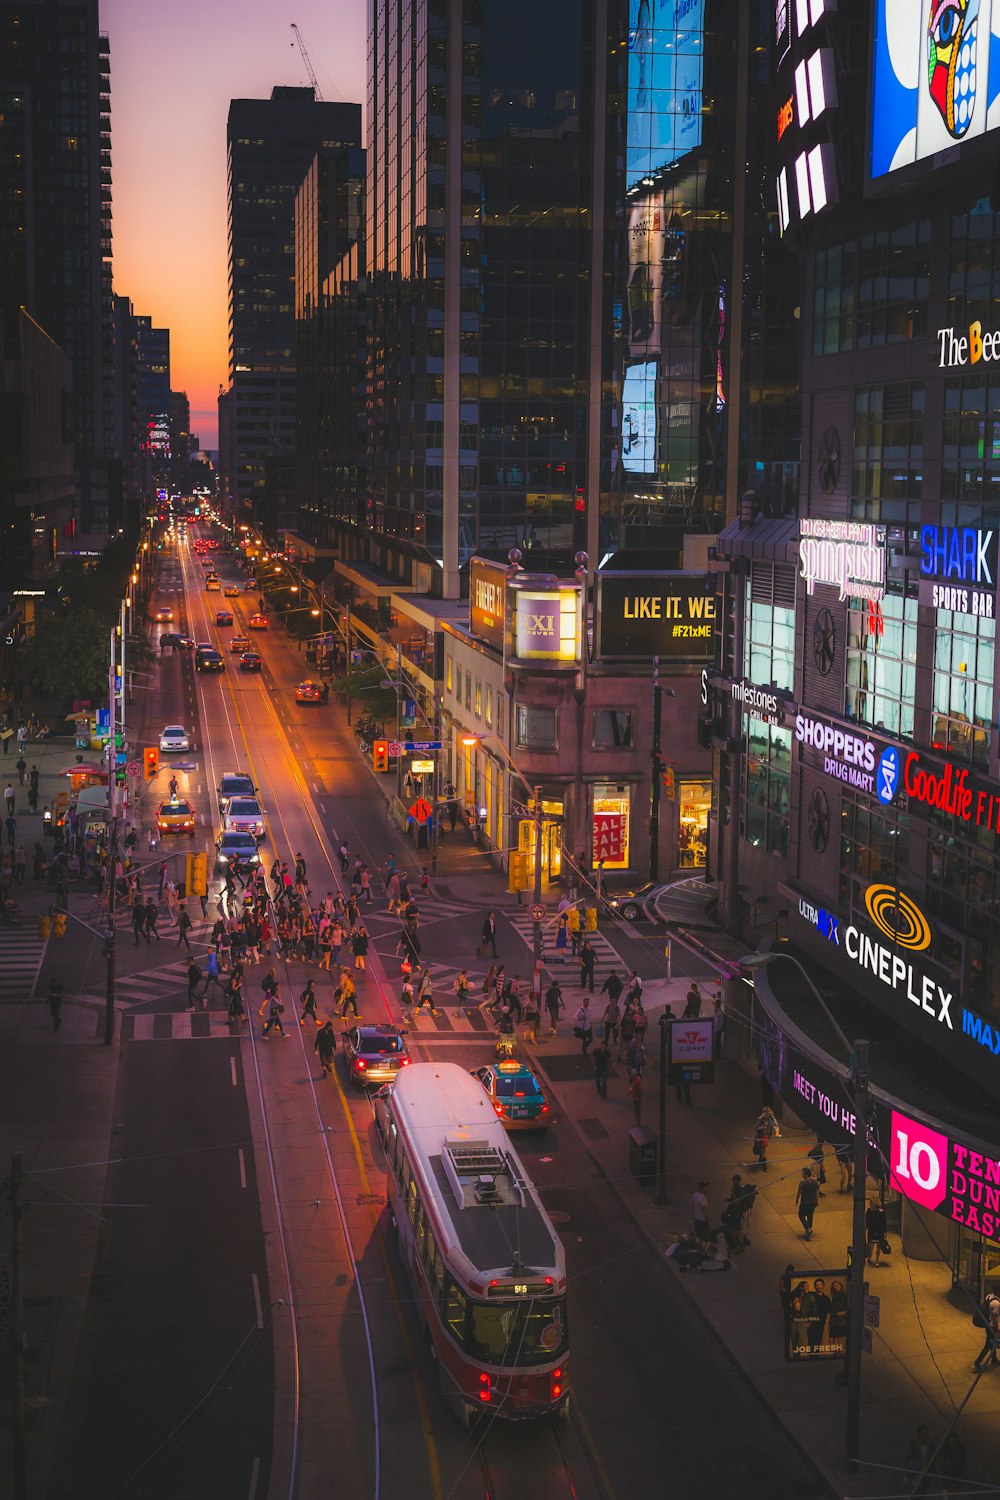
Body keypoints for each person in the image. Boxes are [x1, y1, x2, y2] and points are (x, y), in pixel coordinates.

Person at [973, 1288, 1000, 1372]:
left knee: (992, 1343)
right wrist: (997, 1330)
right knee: (988, 1345)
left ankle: (994, 1359)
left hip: (988, 1325)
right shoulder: (996, 1303)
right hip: (992, 1327)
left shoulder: (989, 1296)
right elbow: (994, 1318)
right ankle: (977, 1363)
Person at [795, 1167, 820, 1240]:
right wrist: (817, 1201)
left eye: (803, 1173)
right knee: (810, 1216)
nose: (801, 1174)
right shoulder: (815, 1182)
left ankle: (808, 1228)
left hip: (805, 1203)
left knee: (801, 1215)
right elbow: (817, 1193)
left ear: (806, 1175)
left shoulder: (802, 1183)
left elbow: (799, 1193)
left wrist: (797, 1200)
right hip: (813, 1202)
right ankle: (809, 1230)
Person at [865, 1199, 888, 1266]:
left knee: (878, 1246)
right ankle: (869, 1256)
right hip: (871, 1230)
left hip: (879, 1230)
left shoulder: (881, 1212)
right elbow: (867, 1220)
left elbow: (884, 1222)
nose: (870, 1206)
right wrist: (865, 1228)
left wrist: (885, 1231)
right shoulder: (869, 1211)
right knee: (870, 1246)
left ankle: (877, 1261)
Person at [592, 1033, 610, 1098]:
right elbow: (594, 1057)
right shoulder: (596, 1051)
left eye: (604, 1045)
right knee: (597, 1080)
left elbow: (608, 1060)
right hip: (598, 1067)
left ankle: (604, 1093)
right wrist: (594, 1065)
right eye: (601, 1045)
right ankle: (599, 1089)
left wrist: (608, 1067)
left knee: (604, 1081)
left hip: (604, 1068)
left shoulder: (607, 1052)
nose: (602, 1046)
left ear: (605, 1046)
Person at [711, 993, 726, 1059]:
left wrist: (720, 1029)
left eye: (716, 1004)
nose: (715, 1005)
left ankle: (717, 1055)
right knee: (715, 1042)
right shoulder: (716, 1011)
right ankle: (716, 1054)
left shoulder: (720, 1013)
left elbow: (722, 1023)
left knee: (717, 1043)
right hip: (715, 1029)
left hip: (718, 1030)